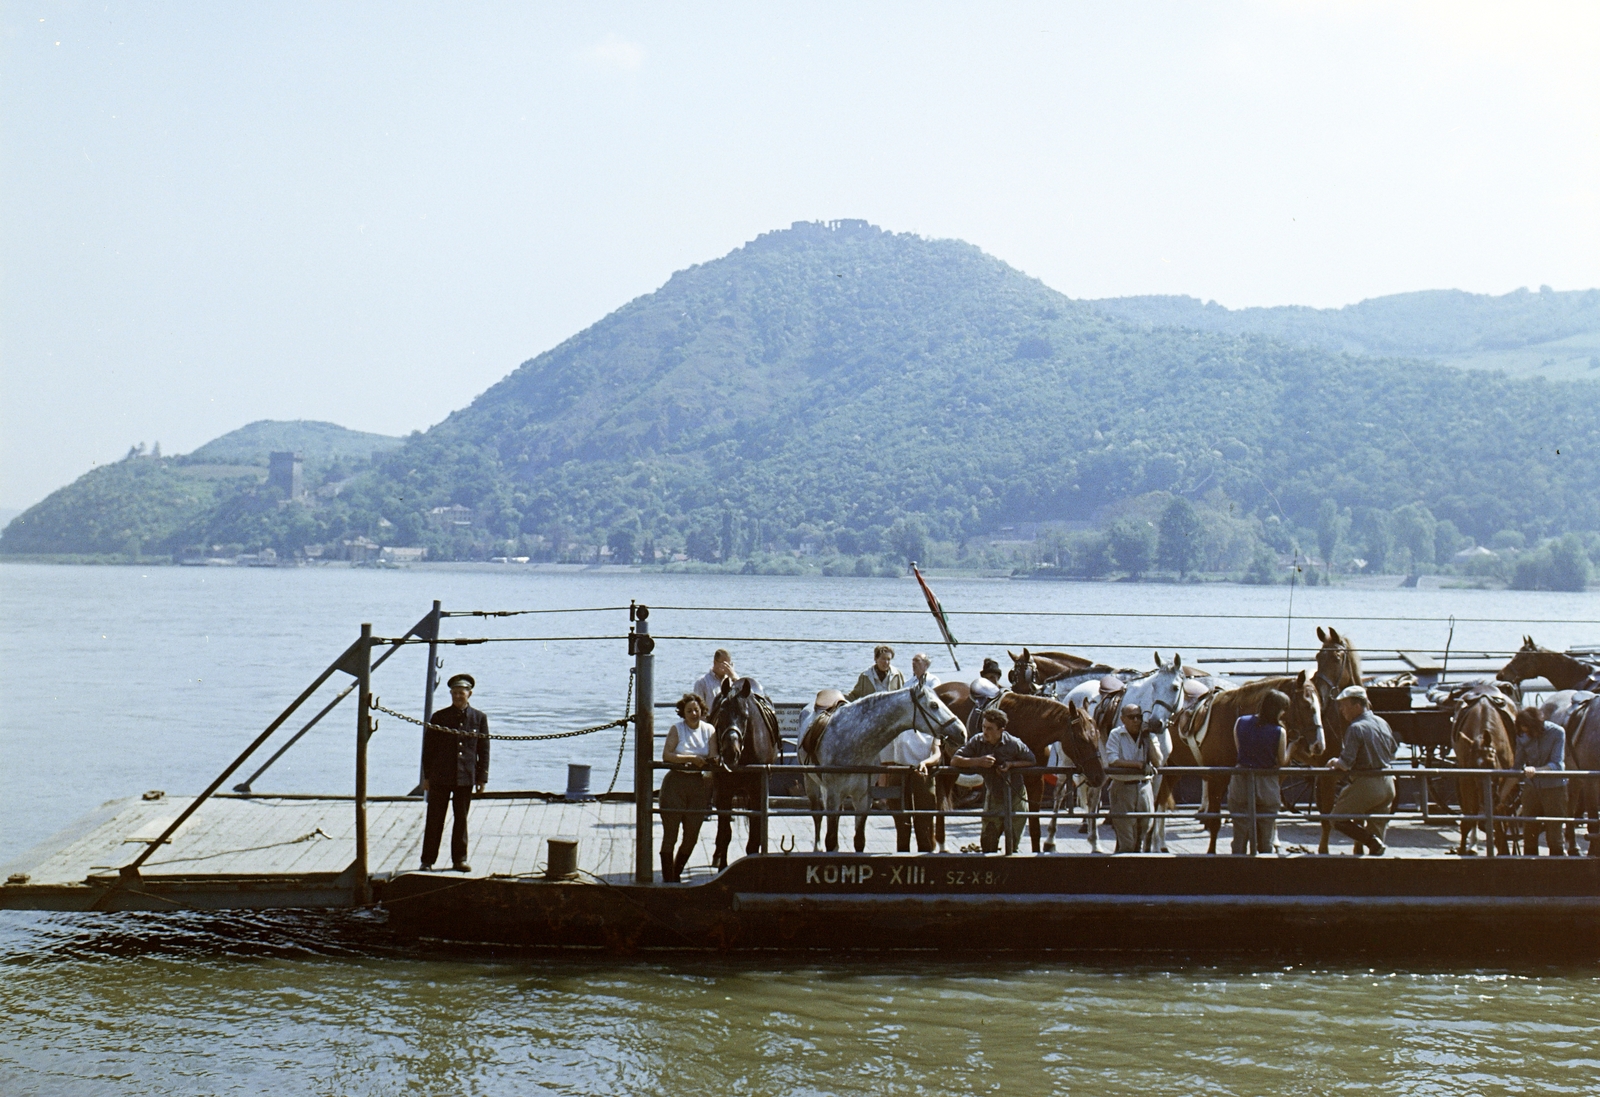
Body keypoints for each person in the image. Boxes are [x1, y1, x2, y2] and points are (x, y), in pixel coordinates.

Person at [420, 672, 489, 872]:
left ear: (470, 694)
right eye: (455, 693)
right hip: (440, 777)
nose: (458, 696)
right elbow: (429, 749)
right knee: (435, 819)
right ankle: (427, 860)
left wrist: (481, 778)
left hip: (465, 778)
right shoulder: (439, 717)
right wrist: (427, 777)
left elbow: (483, 750)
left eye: (462, 693)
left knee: (461, 820)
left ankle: (459, 859)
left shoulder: (479, 718)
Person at [878, 652, 941, 852]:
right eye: (912, 661)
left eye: (918, 661)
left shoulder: (933, 682)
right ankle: (902, 851)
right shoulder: (908, 683)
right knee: (900, 814)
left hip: (922, 757)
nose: (914, 664)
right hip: (901, 759)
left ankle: (926, 851)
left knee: (923, 817)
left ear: (926, 664)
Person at [953, 708, 1035, 853]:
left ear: (1001, 730)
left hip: (1016, 794)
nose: (985, 732)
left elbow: (1031, 760)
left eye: (990, 729)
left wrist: (1011, 765)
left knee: (1013, 840)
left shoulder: (1014, 743)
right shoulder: (977, 741)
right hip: (994, 795)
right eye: (984, 727)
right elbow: (955, 760)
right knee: (988, 839)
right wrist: (978, 761)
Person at [1329, 685, 1397, 855]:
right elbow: (1393, 751)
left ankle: (1370, 840)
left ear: (1357, 706)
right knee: (1378, 831)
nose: (1342, 710)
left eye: (1344, 706)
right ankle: (1375, 869)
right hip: (1388, 782)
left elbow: (1345, 764)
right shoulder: (1382, 722)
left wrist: (1334, 762)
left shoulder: (1356, 728)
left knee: (1336, 818)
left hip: (1367, 784)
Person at [659, 693, 715, 881]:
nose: (693, 714)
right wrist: (691, 758)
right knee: (671, 835)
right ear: (683, 713)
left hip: (698, 786)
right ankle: (669, 879)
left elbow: (713, 756)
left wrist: (708, 762)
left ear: (702, 711)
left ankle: (677, 871)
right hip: (675, 784)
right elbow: (667, 755)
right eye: (689, 710)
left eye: (696, 710)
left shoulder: (709, 730)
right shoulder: (677, 729)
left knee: (691, 836)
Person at [1228, 690, 1289, 855]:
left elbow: (1240, 750)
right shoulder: (1279, 731)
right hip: (1266, 783)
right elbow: (1281, 760)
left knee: (1240, 832)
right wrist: (1293, 748)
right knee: (1266, 834)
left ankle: (1237, 867)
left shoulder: (1240, 721)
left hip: (1241, 780)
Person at [1104, 702, 1162, 853]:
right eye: (1131, 717)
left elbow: (1159, 761)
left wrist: (1148, 738)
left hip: (1144, 788)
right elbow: (1113, 760)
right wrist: (1137, 765)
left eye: (1139, 717)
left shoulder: (1148, 736)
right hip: (1123, 788)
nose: (1136, 720)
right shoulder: (1116, 734)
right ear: (1123, 719)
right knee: (1127, 840)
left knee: (1143, 834)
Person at [1513, 707, 1567, 856]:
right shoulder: (1522, 735)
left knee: (1554, 833)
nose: (1526, 735)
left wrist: (1536, 770)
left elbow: (1557, 764)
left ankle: (1557, 866)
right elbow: (1517, 765)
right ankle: (1530, 869)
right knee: (1529, 831)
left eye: (1529, 731)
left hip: (1554, 789)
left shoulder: (1557, 733)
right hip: (1532, 788)